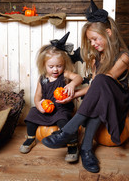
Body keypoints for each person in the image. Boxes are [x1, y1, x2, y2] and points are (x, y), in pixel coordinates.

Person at [42, 0, 129, 173]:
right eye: (90, 40)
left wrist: (78, 93)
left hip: (117, 100)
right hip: (103, 100)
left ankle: (69, 130)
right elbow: (95, 87)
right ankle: (86, 149)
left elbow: (103, 83)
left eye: (95, 39)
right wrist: (75, 94)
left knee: (101, 81)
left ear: (108, 33)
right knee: (99, 90)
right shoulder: (95, 58)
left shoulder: (124, 57)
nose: (92, 44)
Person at [20, 32, 83, 163]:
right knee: (31, 114)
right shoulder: (42, 79)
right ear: (44, 66)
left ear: (63, 65)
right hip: (47, 108)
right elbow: (37, 96)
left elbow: (79, 78)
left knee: (64, 121)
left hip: (61, 108)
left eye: (59, 66)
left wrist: (72, 84)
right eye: (51, 66)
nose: (55, 69)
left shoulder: (64, 74)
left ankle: (72, 146)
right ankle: (30, 138)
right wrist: (38, 105)